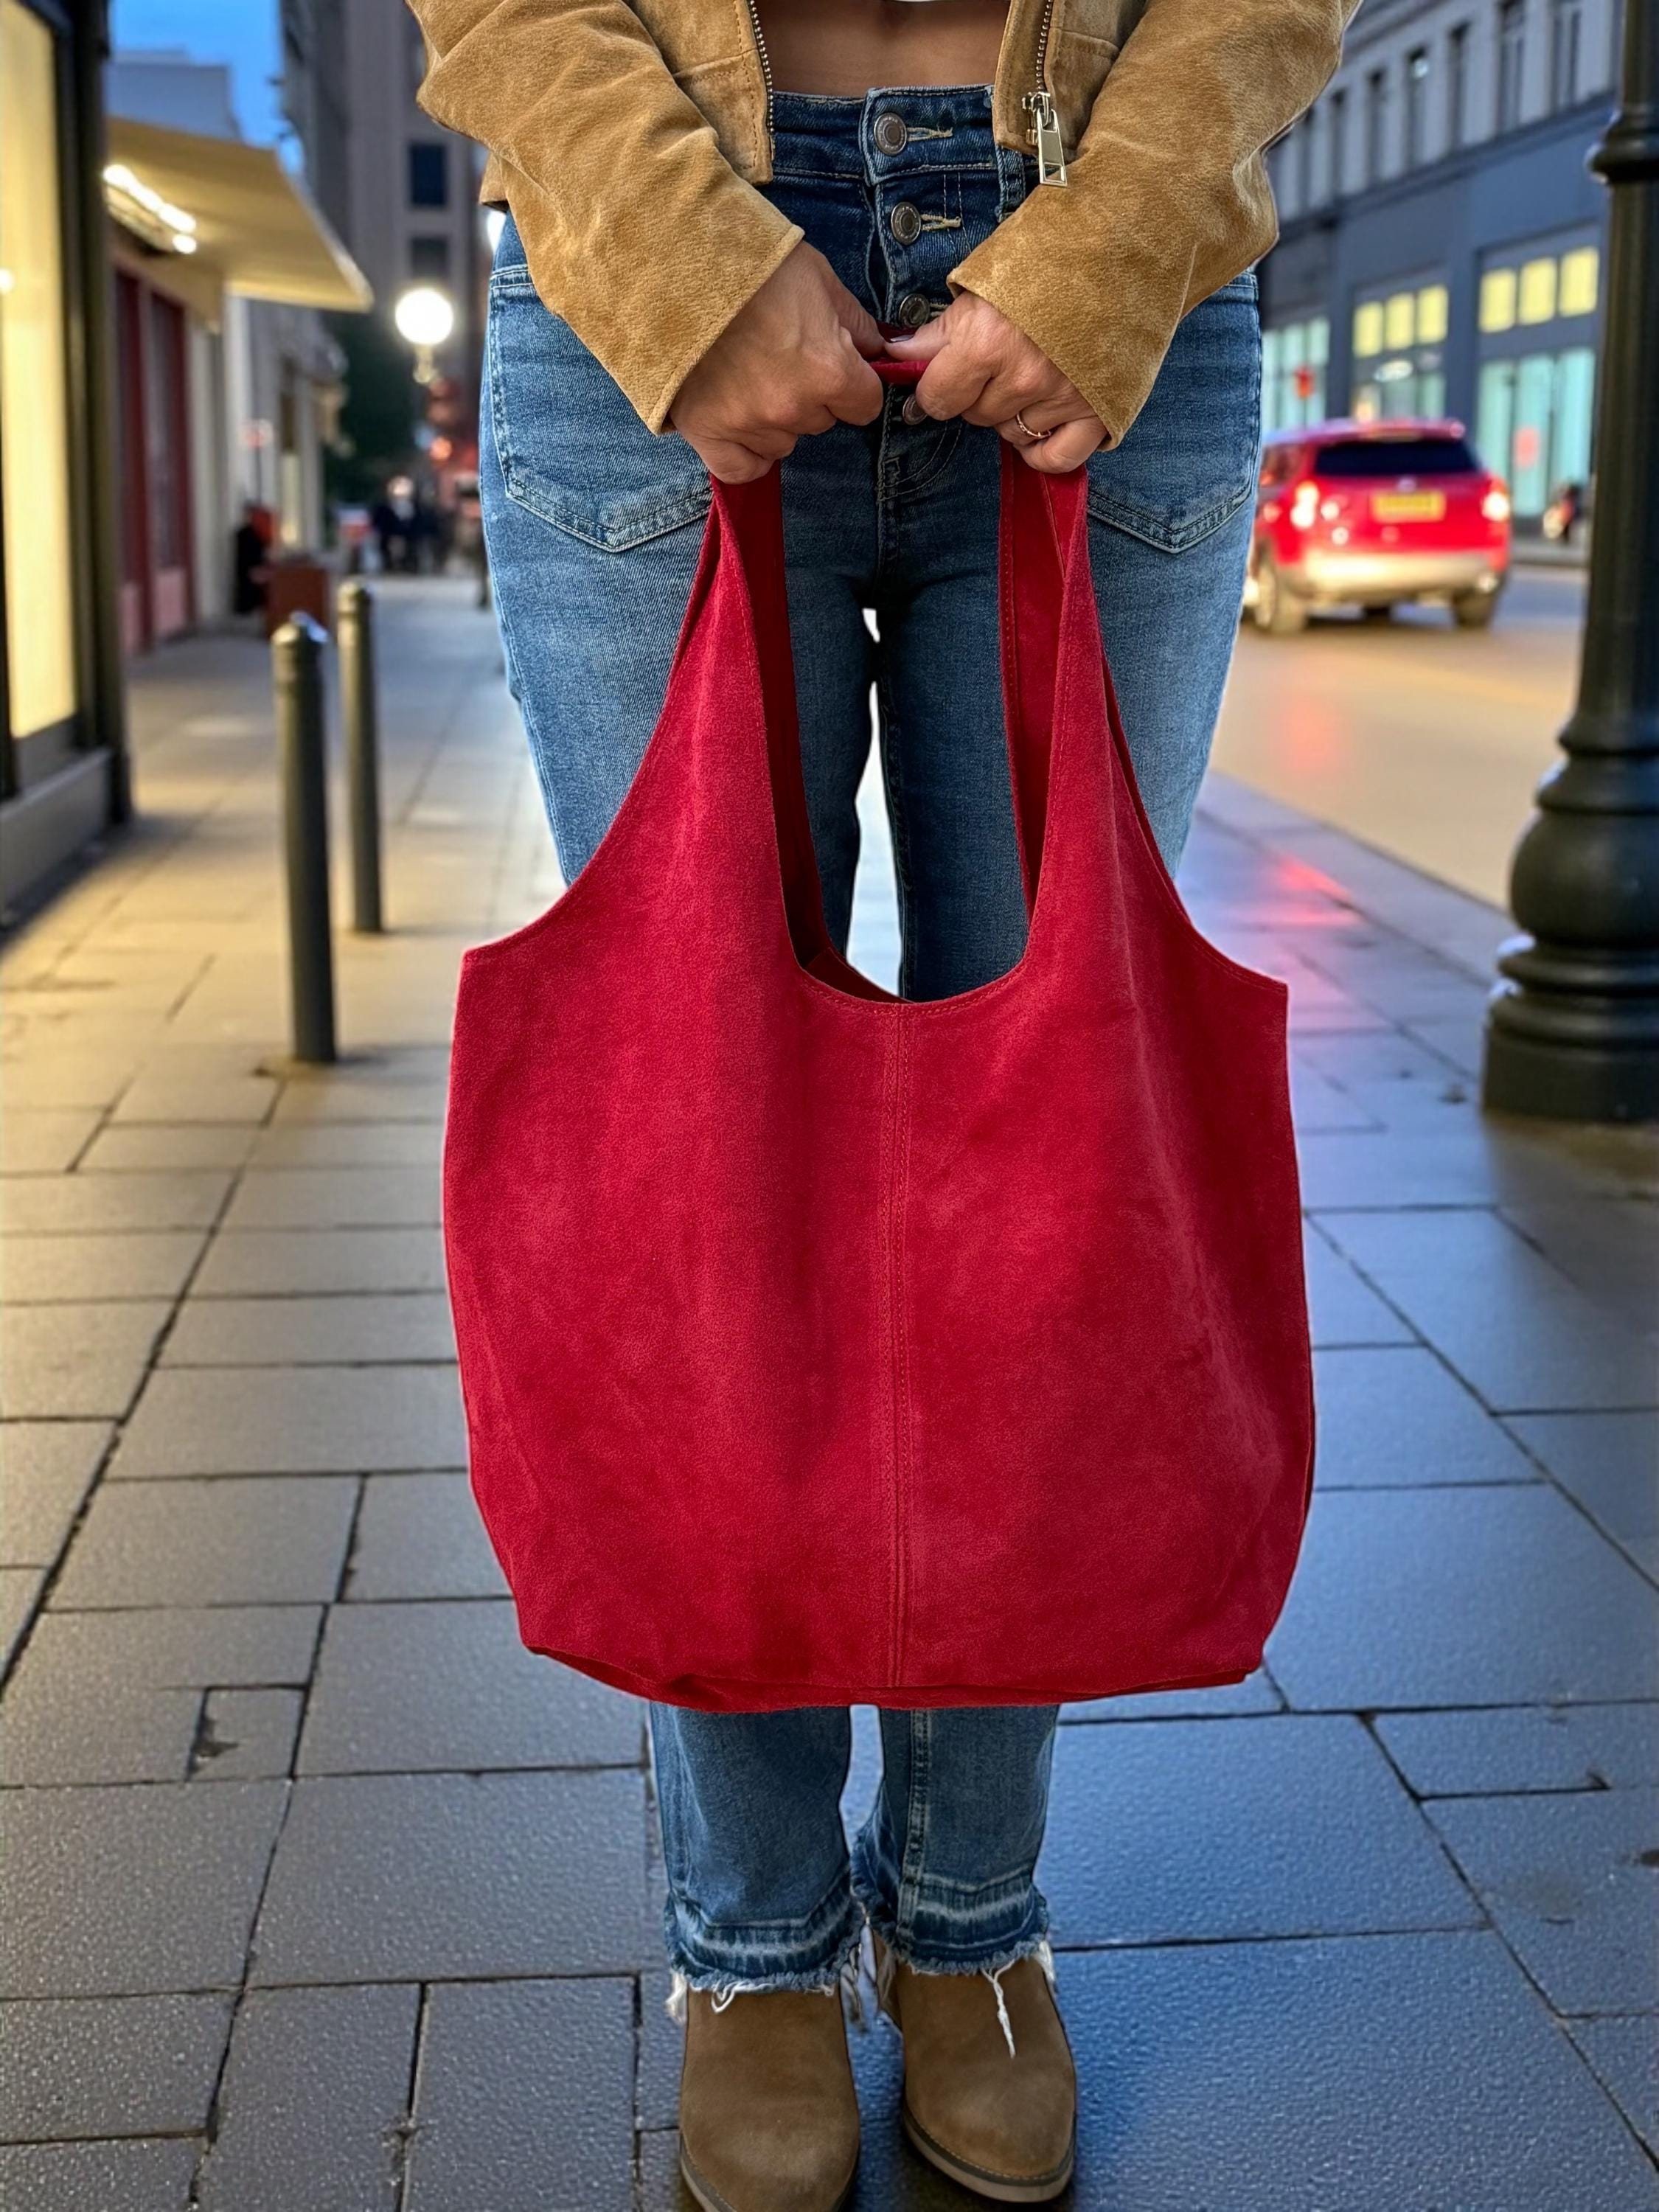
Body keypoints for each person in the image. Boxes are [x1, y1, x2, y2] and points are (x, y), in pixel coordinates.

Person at [408, 3, 1354, 2205]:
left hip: (1104, 257)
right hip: (661, 271)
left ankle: (966, 1926)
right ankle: (748, 1946)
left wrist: (1112, 233)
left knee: (1054, 1167)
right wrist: (670, 240)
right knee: (695, 1154)